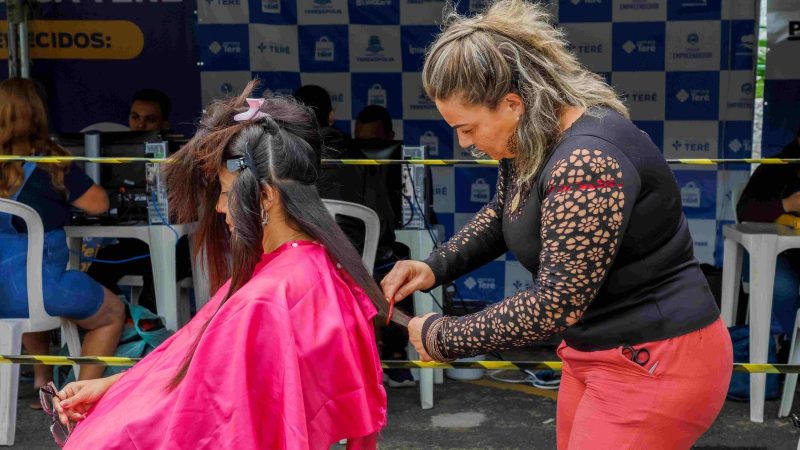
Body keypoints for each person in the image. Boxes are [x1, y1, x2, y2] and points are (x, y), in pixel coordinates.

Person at [379, 2, 732, 449]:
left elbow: (555, 303)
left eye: (467, 128)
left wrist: (445, 336)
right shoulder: (532, 137)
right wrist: (434, 266)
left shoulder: (586, 161)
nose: (464, 143)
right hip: (599, 352)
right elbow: (506, 211)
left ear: (513, 104)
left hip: (654, 360)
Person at [51, 85, 407, 449]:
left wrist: (114, 409)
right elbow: (190, 364)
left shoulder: (265, 298)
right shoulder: (313, 269)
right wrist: (113, 386)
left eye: (224, 192)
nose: (220, 208)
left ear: (265, 197)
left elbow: (205, 410)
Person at [0, 78, 126, 389]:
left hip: (4, 294)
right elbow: (99, 204)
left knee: (25, 292)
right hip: (42, 291)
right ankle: (77, 397)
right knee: (112, 312)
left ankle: (42, 378)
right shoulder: (52, 165)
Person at [87, 88, 191, 314]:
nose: (140, 124)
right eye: (135, 117)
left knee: (158, 272)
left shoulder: (181, 157)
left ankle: (149, 330)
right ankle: (121, 321)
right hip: (135, 246)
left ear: (164, 123)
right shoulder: (115, 155)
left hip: (178, 248)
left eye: (149, 119)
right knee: (100, 267)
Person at [736, 124, 800, 339]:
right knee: (783, 287)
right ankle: (789, 343)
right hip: (774, 253)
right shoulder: (774, 167)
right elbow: (744, 211)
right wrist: (785, 205)